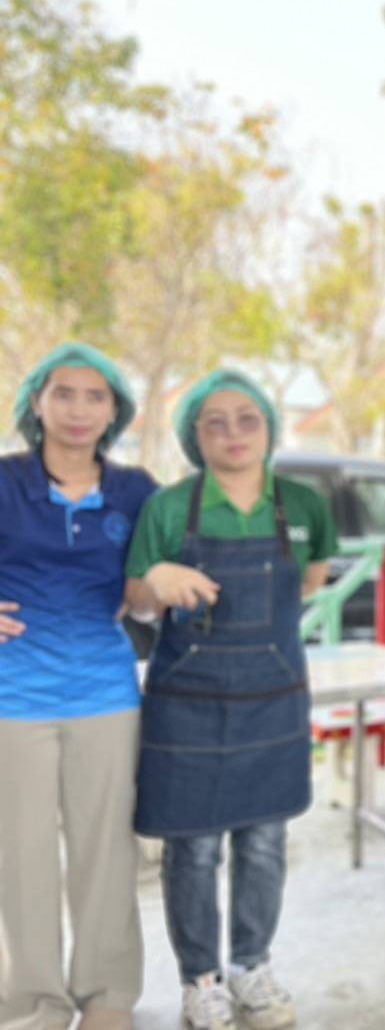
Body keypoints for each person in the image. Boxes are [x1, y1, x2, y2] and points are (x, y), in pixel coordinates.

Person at [125, 369, 337, 1030]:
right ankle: (202, 980)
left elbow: (308, 581)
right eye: (213, 421)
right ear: (194, 435)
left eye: (247, 418)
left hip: (271, 699)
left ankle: (251, 966)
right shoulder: (168, 507)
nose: (233, 433)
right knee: (193, 849)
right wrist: (158, 578)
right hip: (187, 702)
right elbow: (134, 599)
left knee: (265, 841)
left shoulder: (304, 505)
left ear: (270, 426)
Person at [0, 343, 157, 1030]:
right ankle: (36, 1000)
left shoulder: (136, 491)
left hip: (105, 695)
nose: (79, 409)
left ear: (113, 412)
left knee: (105, 851)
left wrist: (155, 590)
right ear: (37, 401)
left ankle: (107, 996)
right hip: (14, 699)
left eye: (96, 397)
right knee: (22, 854)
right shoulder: (4, 482)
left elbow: (145, 596)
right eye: (64, 393)